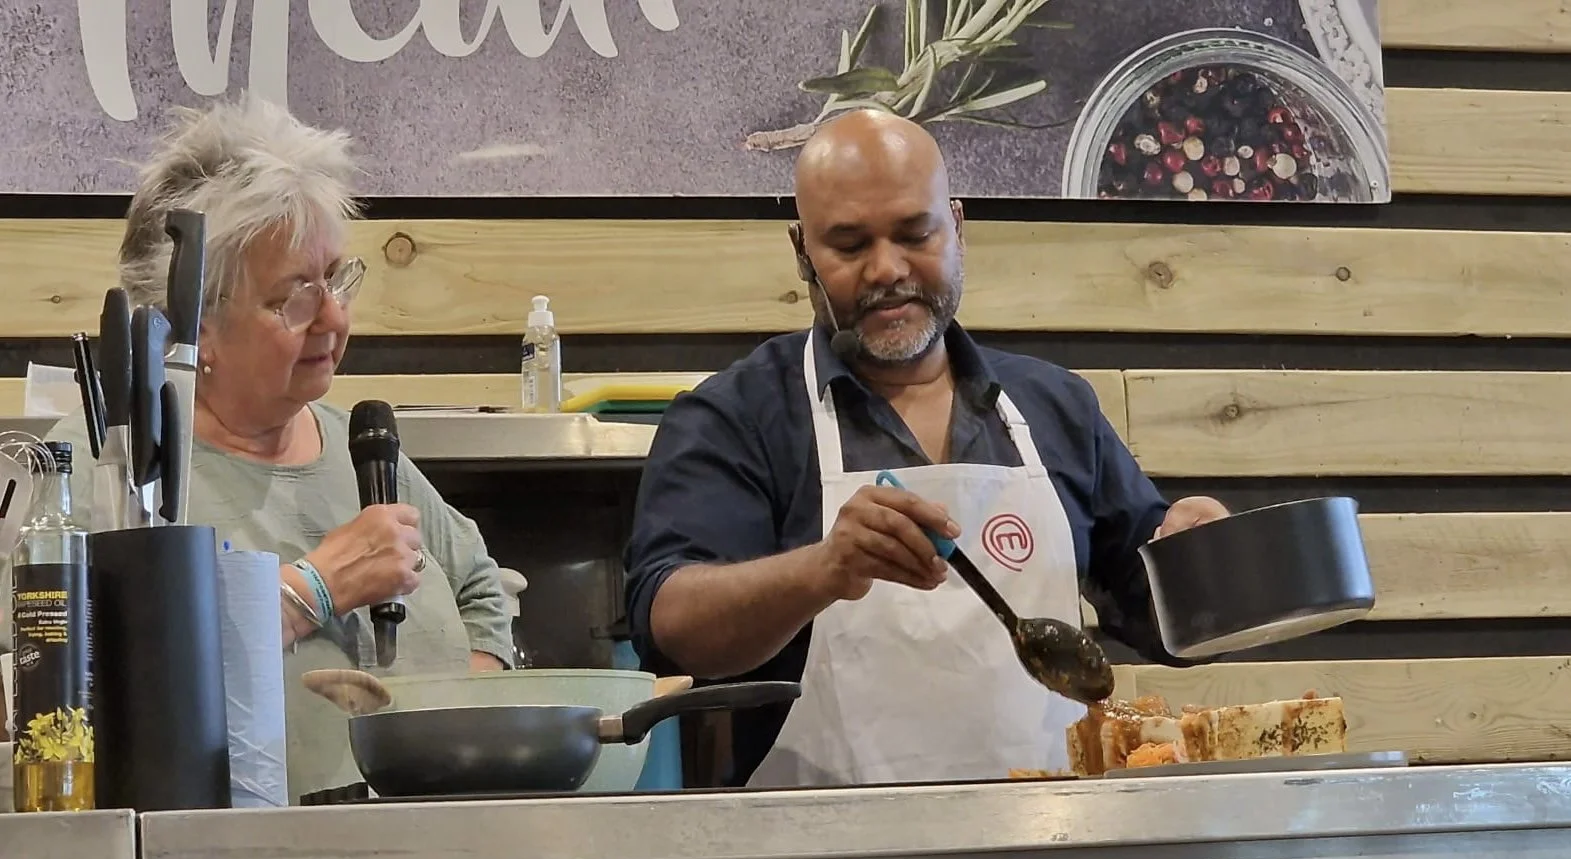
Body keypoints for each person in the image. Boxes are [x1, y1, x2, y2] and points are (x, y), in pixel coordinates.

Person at [622, 109, 1231, 788]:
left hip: (1050, 845)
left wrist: (1196, 560)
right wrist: (821, 570)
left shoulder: (1053, 407)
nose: (886, 269)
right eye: (848, 245)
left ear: (957, 228)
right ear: (802, 253)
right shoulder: (734, 419)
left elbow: (1157, 614)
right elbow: (669, 622)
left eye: (914, 234)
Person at [40, 94, 517, 801]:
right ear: (193, 327)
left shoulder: (361, 447)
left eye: (336, 279)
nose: (333, 315)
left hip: (426, 852)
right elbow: (52, 687)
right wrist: (311, 590)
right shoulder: (103, 466)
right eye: (292, 296)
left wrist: (447, 735)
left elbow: (482, 589)